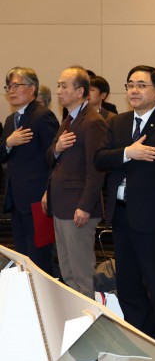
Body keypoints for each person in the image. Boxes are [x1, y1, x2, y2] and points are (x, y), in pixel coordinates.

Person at [94, 65, 155, 346]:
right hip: (121, 214)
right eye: (130, 85)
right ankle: (139, 333)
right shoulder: (118, 123)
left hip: (154, 217)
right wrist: (127, 153)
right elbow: (100, 158)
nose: (134, 90)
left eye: (141, 85)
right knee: (127, 281)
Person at [45, 66, 107, 299]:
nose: (59, 91)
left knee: (82, 274)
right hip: (61, 205)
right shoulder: (69, 120)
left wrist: (85, 206)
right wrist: (57, 148)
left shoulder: (92, 122)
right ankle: (75, 316)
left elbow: (96, 170)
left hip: (78, 207)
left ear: (80, 91)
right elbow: (50, 158)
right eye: (58, 86)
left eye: (64, 86)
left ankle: (90, 317)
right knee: (67, 272)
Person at [0, 67, 59, 275]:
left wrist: (49, 192)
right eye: (8, 86)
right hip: (16, 199)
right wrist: (8, 142)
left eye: (16, 85)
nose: (11, 90)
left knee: (39, 260)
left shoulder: (43, 116)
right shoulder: (11, 120)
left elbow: (55, 158)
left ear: (32, 88)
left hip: (38, 200)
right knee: (21, 258)